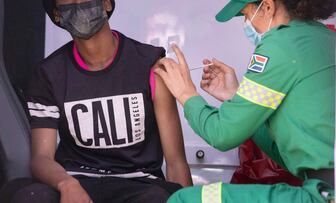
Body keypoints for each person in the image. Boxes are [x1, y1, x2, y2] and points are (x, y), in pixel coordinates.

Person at [0, 0, 192, 202]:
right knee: (30, 196)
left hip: (140, 185)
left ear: (107, 3)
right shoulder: (49, 74)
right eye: (69, 3)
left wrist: (189, 199)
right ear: (58, 15)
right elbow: (41, 158)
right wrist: (66, 183)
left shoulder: (149, 65)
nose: (80, 8)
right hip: (76, 181)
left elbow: (175, 161)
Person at [154, 0, 336, 202]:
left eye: (247, 15)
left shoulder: (280, 44)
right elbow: (289, 153)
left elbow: (222, 135)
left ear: (268, 6)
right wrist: (235, 96)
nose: (247, 24)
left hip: (325, 195)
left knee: (183, 199)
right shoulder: (326, 38)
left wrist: (186, 94)